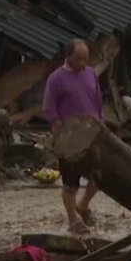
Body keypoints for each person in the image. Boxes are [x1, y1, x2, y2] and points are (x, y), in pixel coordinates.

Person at [42, 39, 103, 235]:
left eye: (85, 58)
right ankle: (72, 220)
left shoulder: (91, 74)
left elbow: (97, 101)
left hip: (91, 133)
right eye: (79, 59)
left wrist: (101, 122)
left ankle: (83, 205)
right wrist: (61, 133)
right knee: (70, 182)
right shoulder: (56, 79)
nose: (83, 63)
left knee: (100, 177)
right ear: (68, 56)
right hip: (69, 138)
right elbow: (49, 109)